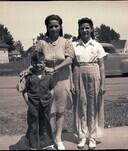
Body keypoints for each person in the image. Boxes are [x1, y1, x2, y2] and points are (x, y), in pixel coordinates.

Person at [35, 14, 75, 150]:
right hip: (46, 81)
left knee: (60, 111)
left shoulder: (66, 42)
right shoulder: (41, 43)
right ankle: (49, 138)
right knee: (48, 110)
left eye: (56, 26)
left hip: (62, 80)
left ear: (60, 27)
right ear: (47, 27)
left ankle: (58, 138)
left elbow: (69, 60)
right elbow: (35, 60)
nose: (53, 28)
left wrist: (55, 68)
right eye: (50, 26)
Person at [72, 17, 106, 150]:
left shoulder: (97, 45)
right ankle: (82, 136)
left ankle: (92, 137)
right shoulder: (74, 45)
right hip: (79, 72)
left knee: (93, 106)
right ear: (79, 30)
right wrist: (73, 83)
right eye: (82, 28)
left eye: (87, 28)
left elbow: (102, 66)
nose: (85, 30)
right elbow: (73, 65)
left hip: (94, 73)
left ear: (91, 29)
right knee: (81, 105)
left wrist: (103, 84)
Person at [16, 51, 55, 150]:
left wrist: (50, 99)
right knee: (33, 125)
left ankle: (47, 144)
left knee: (45, 123)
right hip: (33, 105)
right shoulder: (28, 77)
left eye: (41, 62)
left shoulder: (48, 76)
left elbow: (52, 89)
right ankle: (33, 145)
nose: (38, 64)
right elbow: (24, 91)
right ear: (32, 64)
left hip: (45, 105)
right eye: (36, 62)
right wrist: (28, 103)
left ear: (44, 63)